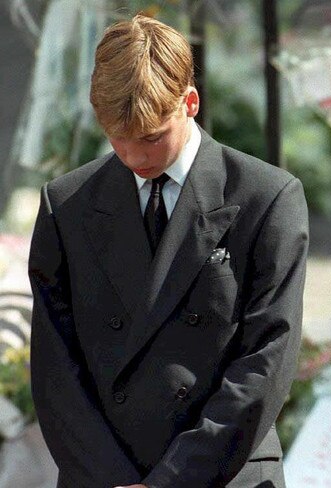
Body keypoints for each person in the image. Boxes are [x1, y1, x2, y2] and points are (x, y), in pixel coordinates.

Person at [28, 14, 308, 488]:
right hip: (102, 476)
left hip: (223, 473)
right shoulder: (67, 206)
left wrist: (171, 481)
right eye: (119, 139)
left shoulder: (267, 197)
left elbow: (267, 359)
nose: (136, 156)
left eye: (152, 137)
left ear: (190, 102)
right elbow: (55, 367)